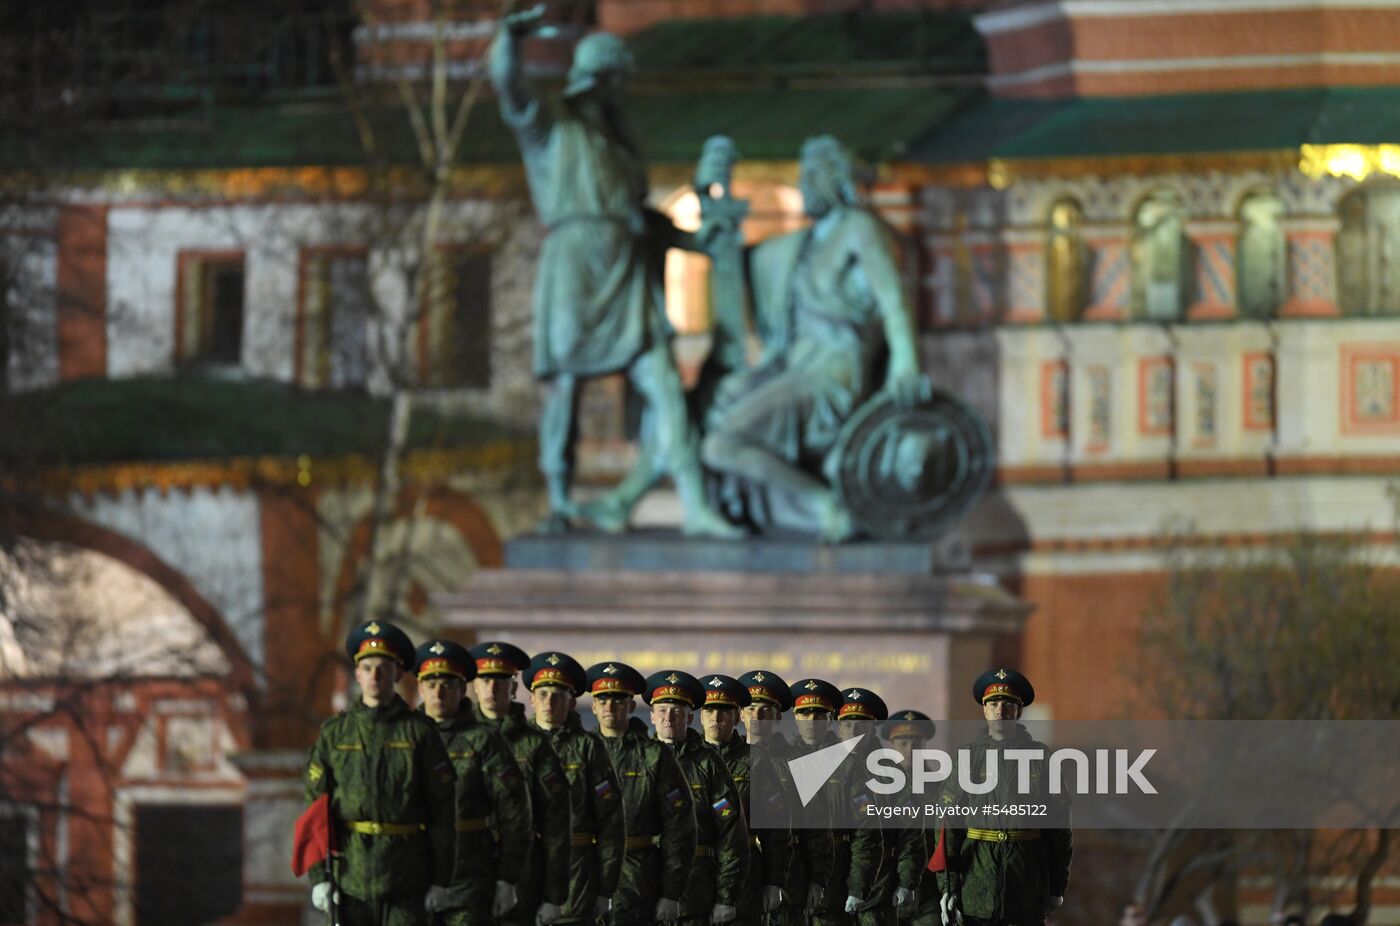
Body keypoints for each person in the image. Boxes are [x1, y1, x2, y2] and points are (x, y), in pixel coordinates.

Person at [489, 11, 740, 538]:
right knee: (564, 389)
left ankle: (695, 506)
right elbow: (508, 86)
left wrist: (700, 241)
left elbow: (645, 223)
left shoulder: (623, 149)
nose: (626, 92)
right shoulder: (550, 130)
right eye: (621, 81)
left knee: (666, 385)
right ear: (601, 79)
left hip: (628, 275)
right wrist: (512, 37)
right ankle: (558, 499)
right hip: (575, 276)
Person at [701, 135, 925, 542]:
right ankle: (771, 510)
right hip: (794, 365)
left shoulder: (859, 229)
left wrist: (906, 364)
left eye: (812, 176)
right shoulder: (800, 245)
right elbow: (750, 268)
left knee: (721, 444)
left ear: (833, 180)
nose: (803, 186)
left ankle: (823, 504)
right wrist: (722, 227)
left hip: (833, 373)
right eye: (803, 176)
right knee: (718, 400)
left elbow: (894, 302)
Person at [303, 619, 456, 925]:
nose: (376, 675)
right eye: (368, 667)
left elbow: (442, 812)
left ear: (398, 673)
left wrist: (442, 879)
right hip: (351, 879)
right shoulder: (336, 733)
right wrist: (319, 876)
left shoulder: (420, 733)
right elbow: (316, 809)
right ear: (357, 674)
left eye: (384, 667)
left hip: (408, 880)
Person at [935, 669, 1072, 926]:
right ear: (984, 710)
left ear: (1019, 711)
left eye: (1008, 704)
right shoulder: (967, 758)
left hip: (1027, 878)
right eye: (993, 704)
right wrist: (947, 885)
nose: (1001, 710)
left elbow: (1059, 828)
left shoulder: (1042, 759)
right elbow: (947, 824)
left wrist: (1056, 886)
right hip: (976, 877)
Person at [415, 639, 531, 925]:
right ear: (420, 688)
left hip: (469, 877)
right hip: (409, 872)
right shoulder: (405, 737)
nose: (439, 693)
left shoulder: (483, 740)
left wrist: (507, 877)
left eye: (449, 685)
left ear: (462, 689)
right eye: (431, 684)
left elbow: (515, 814)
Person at [585, 661, 697, 926]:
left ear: (632, 706)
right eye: (602, 700)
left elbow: (679, 827)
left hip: (638, 881)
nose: (610, 707)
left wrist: (671, 893)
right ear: (593, 706)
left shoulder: (653, 755)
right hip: (581, 876)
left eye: (618, 700)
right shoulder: (580, 752)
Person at [468, 642, 572, 926]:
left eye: (501, 681)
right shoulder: (456, 738)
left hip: (524, 878)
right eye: (485, 680)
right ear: (475, 686)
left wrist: (554, 895)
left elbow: (557, 825)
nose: (492, 689)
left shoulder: (534, 743)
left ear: (514, 688)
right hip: (463, 874)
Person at [524, 651, 627, 926]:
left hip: (575, 874)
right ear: (531, 698)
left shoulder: (588, 748)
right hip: (520, 869)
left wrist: (606, 888)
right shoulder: (512, 744)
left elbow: (611, 822)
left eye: (559, 693)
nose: (550, 701)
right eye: (543, 693)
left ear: (571, 701)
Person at [645, 670, 751, 926]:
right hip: (641, 888)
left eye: (677, 711)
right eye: (662, 710)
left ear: (690, 717)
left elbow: (730, 833)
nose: (668, 718)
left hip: (694, 893)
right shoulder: (637, 759)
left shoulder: (708, 763)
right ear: (651, 716)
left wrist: (726, 897)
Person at [739, 670, 833, 926]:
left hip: (791, 878)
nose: (757, 716)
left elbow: (816, 825)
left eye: (766, 710)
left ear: (778, 716)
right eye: (751, 709)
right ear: (741, 714)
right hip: (739, 877)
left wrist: (817, 878)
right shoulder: (726, 760)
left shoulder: (798, 762)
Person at [702, 675, 785, 926]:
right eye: (710, 711)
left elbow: (775, 827)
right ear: (700, 716)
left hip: (745, 874)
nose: (717, 719)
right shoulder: (685, 759)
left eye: (725, 711)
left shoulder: (756, 760)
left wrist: (774, 881)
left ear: (737, 717)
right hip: (694, 875)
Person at [788, 678, 850, 926]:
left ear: (831, 718)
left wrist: (858, 883)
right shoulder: (782, 760)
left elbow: (868, 829)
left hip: (839, 873)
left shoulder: (849, 763)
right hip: (791, 872)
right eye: (804, 713)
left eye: (819, 714)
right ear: (795, 717)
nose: (812, 720)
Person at [835, 688, 891, 926]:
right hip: (830, 875)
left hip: (881, 878)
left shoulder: (890, 771)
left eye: (861, 725)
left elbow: (910, 830)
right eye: (847, 725)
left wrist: (908, 881)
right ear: (838, 728)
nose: (854, 732)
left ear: (872, 728)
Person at [884, 712, 938, 926]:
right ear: (892, 744)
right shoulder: (878, 786)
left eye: (916, 743)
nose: (910, 749)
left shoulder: (939, 786)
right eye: (903, 743)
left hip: (929, 887)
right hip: (886, 883)